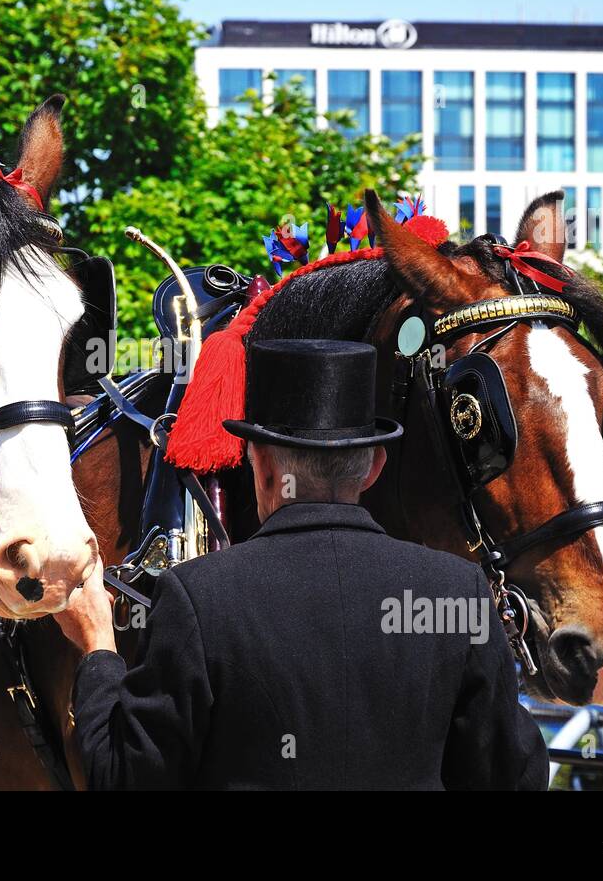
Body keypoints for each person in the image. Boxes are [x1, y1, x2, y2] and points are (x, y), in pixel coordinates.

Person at [55, 338, 549, 790]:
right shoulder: (457, 591)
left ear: (261, 464)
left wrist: (97, 645)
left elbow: (124, 779)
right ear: (374, 466)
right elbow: (514, 775)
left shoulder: (197, 597)